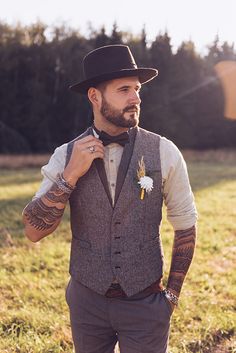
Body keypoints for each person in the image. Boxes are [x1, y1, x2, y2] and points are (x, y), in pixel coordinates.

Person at [22, 44, 197, 353]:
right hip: (86, 305)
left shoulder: (165, 151)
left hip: (147, 304)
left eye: (138, 89)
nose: (136, 98)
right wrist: (69, 176)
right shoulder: (65, 155)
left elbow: (185, 226)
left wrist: (170, 297)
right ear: (95, 96)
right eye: (124, 89)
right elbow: (33, 231)